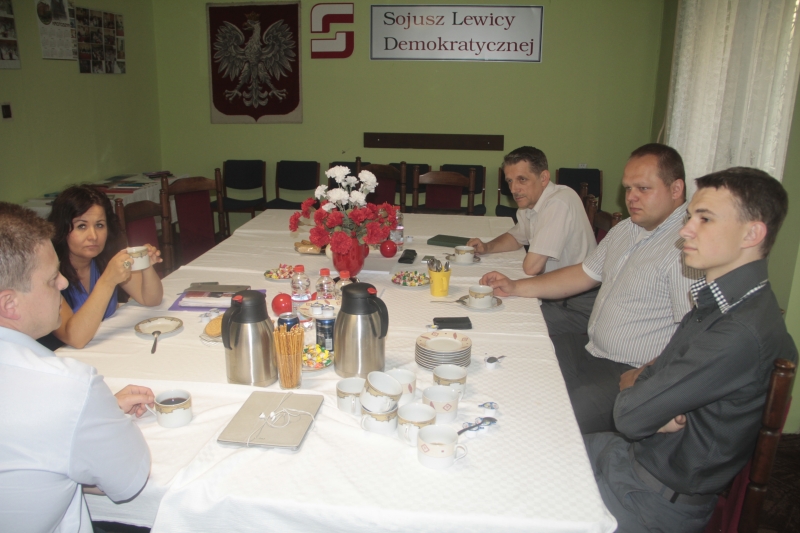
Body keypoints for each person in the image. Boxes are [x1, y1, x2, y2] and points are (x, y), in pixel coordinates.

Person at [585, 167, 797, 532]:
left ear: (752, 233)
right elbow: (655, 375)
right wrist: (655, 398)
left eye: (705, 219)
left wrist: (643, 391)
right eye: (689, 217)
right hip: (628, 457)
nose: (685, 230)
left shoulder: (739, 332)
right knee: (533, 447)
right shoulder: (724, 302)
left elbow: (629, 416)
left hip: (649, 498)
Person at [481, 143, 700, 434]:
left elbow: (694, 336)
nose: (631, 197)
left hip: (628, 371)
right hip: (591, 349)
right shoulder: (627, 229)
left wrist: (647, 375)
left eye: (643, 188)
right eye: (628, 188)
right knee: (514, 359)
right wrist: (515, 287)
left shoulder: (688, 247)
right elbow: (582, 274)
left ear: (676, 189)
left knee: (545, 422)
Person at [0, 202, 152, 533]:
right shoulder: (68, 386)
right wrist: (90, 412)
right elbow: (130, 479)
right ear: (9, 304)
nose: (63, 285)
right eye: (51, 279)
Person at [44, 185, 163, 349]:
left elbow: (151, 299)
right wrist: (107, 281)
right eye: (82, 226)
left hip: (107, 347)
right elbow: (76, 339)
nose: (93, 236)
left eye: (99, 225)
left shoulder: (106, 258)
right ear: (62, 229)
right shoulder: (49, 274)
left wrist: (146, 265)